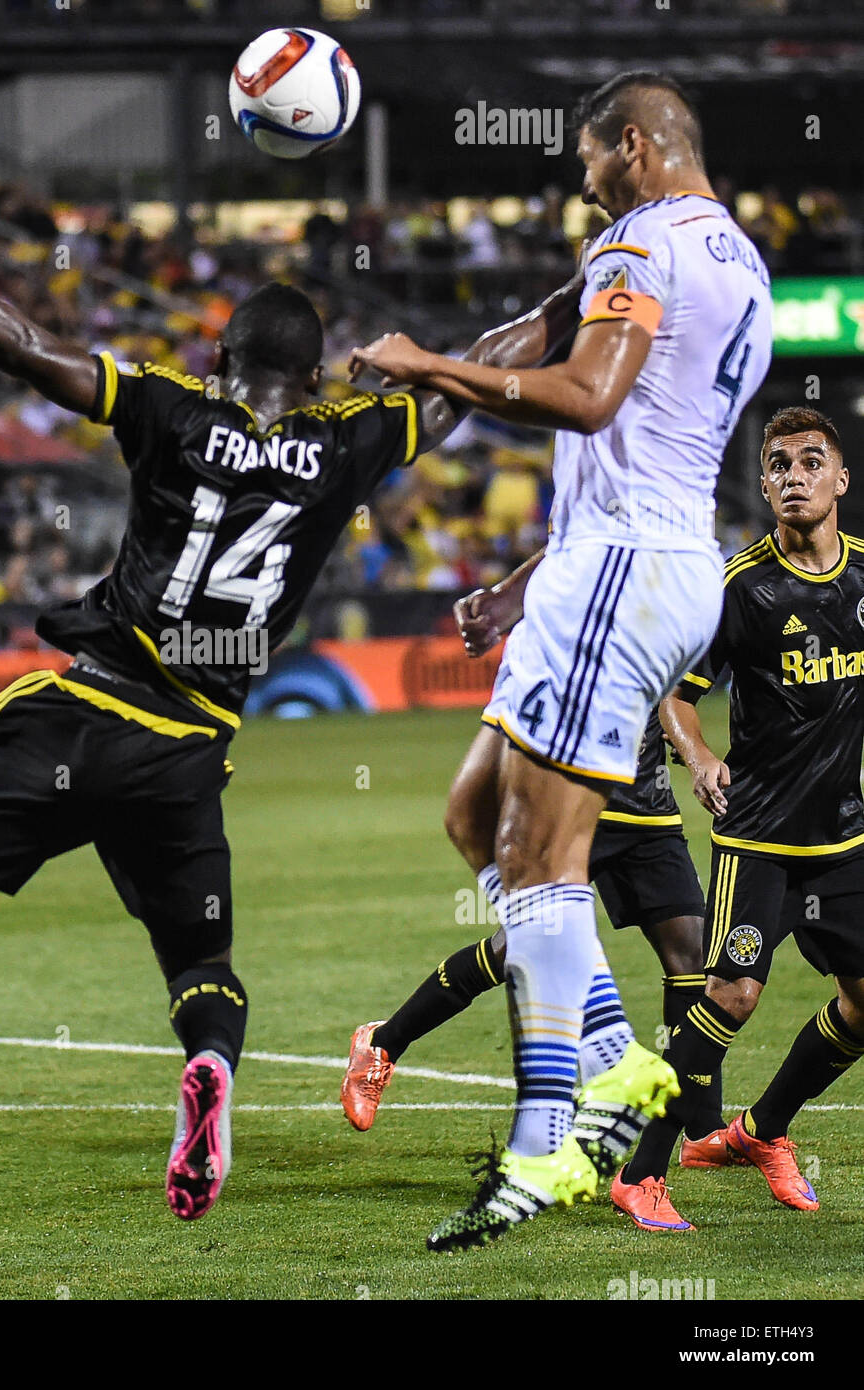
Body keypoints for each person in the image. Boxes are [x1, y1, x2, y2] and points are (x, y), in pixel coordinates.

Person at [0, 206, 584, 1222]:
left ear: (218, 356)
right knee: (199, 961)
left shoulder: (171, 408)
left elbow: (15, 340)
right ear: (317, 379)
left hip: (80, 710)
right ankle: (210, 1067)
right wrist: (582, 293)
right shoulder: (353, 438)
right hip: (186, 752)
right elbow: (479, 367)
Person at [348, 70, 773, 1250]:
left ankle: (548, 1141)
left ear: (632, 148)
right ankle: (608, 1057)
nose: (580, 184)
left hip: (624, 574)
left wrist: (430, 366)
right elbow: (554, 346)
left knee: (541, 849)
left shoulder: (636, 240)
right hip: (635, 559)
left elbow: (589, 399)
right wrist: (427, 403)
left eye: (587, 162)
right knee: (475, 815)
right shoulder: (733, 254)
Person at [341, 552, 719, 1212]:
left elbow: (670, 690)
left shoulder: (664, 576)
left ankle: (682, 1137)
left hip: (645, 806)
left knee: (692, 954)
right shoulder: (559, 594)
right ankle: (383, 1041)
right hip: (562, 797)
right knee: (522, 952)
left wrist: (695, 754)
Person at [618, 407, 864, 1229]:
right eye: (779, 466)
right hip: (759, 838)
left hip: (845, 839)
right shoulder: (740, 586)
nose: (794, 476)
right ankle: (642, 1173)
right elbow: (676, 696)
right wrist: (697, 756)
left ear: (840, 480)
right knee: (731, 994)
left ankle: (760, 1132)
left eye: (810, 461)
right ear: (763, 488)